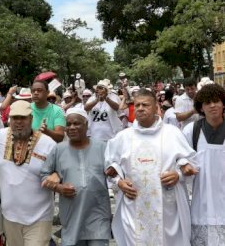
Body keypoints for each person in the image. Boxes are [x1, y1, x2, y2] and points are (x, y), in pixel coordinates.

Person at [104, 88, 197, 246]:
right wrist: (119, 182)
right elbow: (109, 169)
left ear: (156, 108)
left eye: (145, 105)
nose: (140, 108)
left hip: (167, 209)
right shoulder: (122, 137)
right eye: (137, 105)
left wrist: (178, 175)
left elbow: (192, 164)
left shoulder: (173, 134)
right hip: (133, 208)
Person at [0, 100, 56, 246]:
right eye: (14, 118)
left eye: (23, 118)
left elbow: (60, 170)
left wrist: (57, 176)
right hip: (9, 216)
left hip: (40, 216)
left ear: (31, 118)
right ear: (9, 120)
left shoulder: (48, 143)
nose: (18, 122)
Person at [41, 107, 111, 246]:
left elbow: (115, 174)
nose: (71, 127)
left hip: (98, 215)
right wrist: (58, 187)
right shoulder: (58, 149)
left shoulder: (103, 147)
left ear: (86, 124)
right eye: (68, 124)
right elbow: (44, 176)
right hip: (71, 216)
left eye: (76, 123)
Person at [182, 83, 225, 245]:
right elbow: (180, 159)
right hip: (201, 204)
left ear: (223, 103)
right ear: (200, 107)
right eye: (207, 102)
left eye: (216, 101)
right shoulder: (191, 131)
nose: (212, 105)